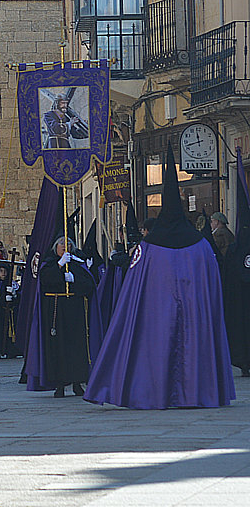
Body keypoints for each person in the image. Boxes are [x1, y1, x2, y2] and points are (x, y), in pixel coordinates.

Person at [87, 147, 236, 409]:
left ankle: (154, 392)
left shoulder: (148, 248)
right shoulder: (201, 246)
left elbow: (131, 292)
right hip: (195, 317)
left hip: (155, 318)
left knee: (156, 345)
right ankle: (195, 392)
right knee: (191, 344)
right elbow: (214, 288)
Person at [36, 237, 97, 398]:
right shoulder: (49, 263)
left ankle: (77, 382)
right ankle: (59, 385)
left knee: (76, 346)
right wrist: (59, 266)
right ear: (55, 247)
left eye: (69, 243)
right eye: (62, 243)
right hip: (56, 309)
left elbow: (89, 285)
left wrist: (74, 279)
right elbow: (45, 280)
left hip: (74, 310)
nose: (65, 246)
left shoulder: (77, 263)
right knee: (57, 347)